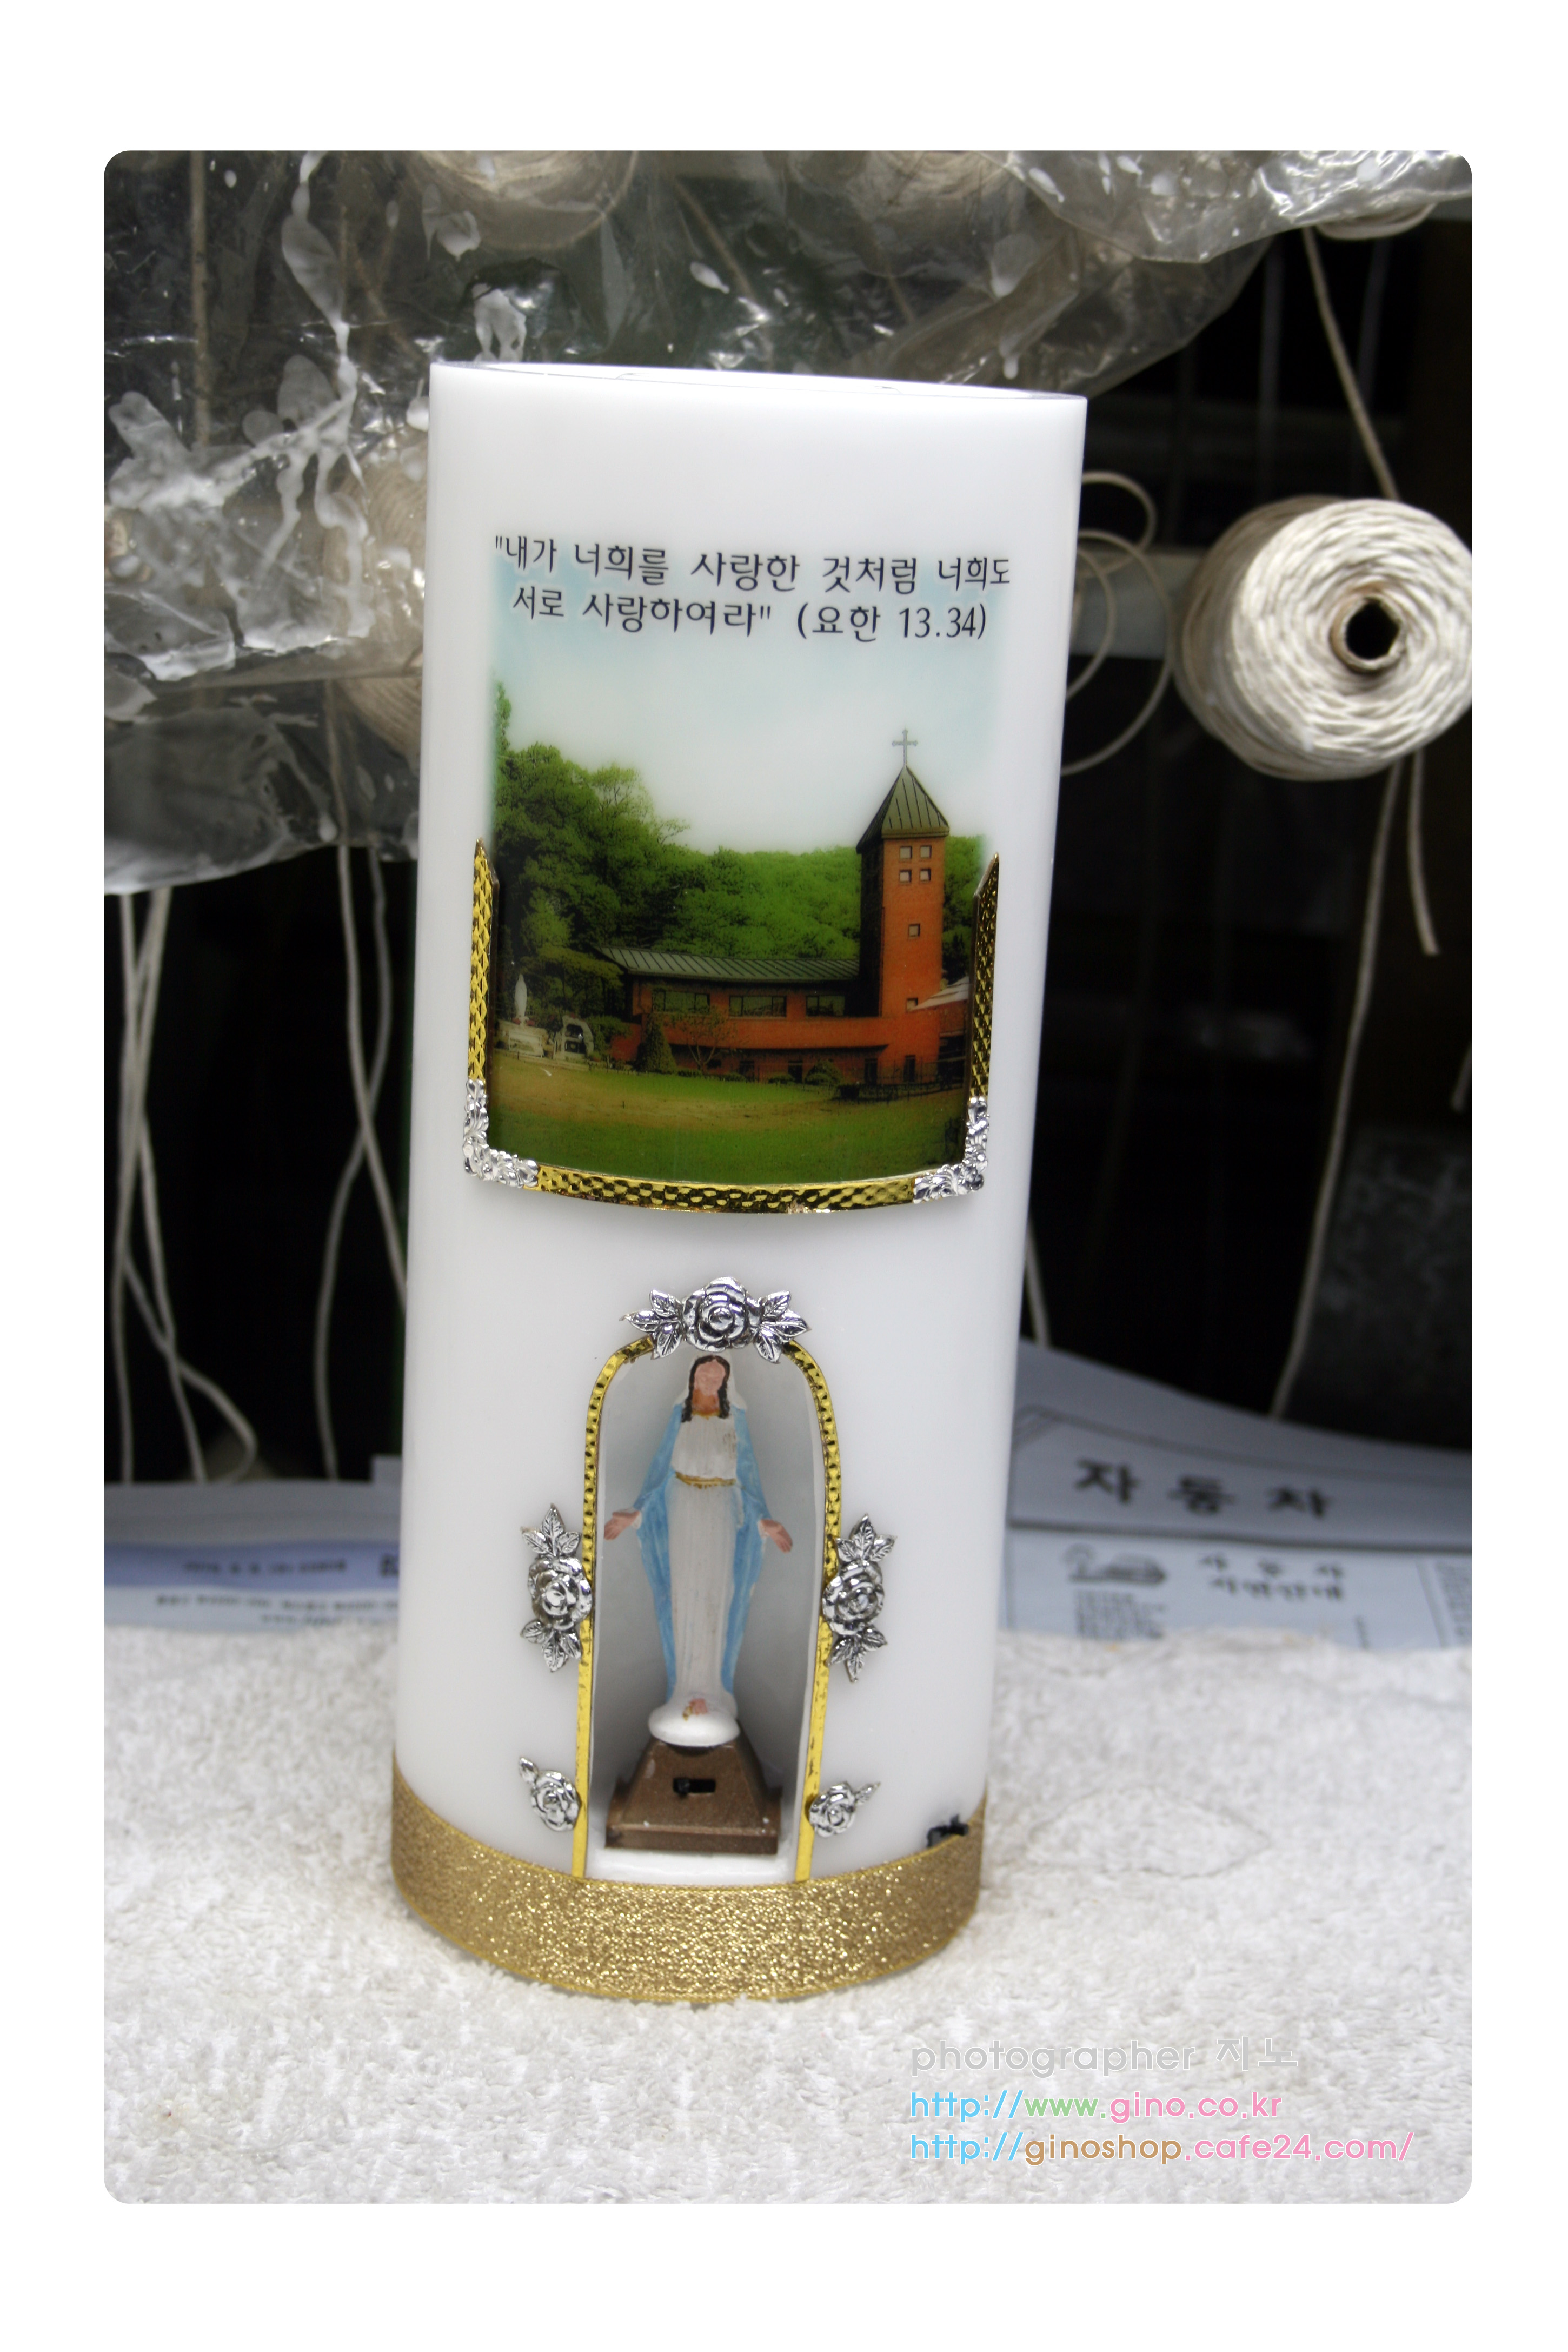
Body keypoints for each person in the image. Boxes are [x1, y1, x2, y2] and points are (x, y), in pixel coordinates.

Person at [603, 1354, 792, 1748]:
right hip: (683, 1511)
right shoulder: (680, 1416)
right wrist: (636, 1513)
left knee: (716, 1595)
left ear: (726, 1381)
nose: (709, 1379)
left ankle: (711, 1688)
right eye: (704, 1372)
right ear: (692, 1376)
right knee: (684, 1595)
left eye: (717, 1374)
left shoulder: (735, 1417)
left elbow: (748, 1476)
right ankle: (684, 1687)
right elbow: (659, 1474)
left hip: (721, 1514)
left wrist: (764, 1521)